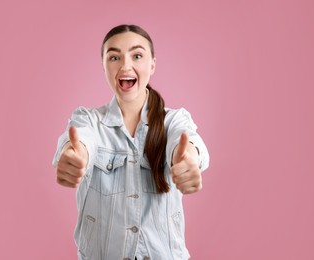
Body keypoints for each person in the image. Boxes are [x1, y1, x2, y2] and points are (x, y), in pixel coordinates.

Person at [52, 24, 209, 260]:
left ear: (152, 64)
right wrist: (73, 156)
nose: (125, 65)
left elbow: (187, 140)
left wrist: (189, 158)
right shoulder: (89, 119)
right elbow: (80, 140)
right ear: (103, 66)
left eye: (137, 55)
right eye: (114, 57)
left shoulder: (174, 120)